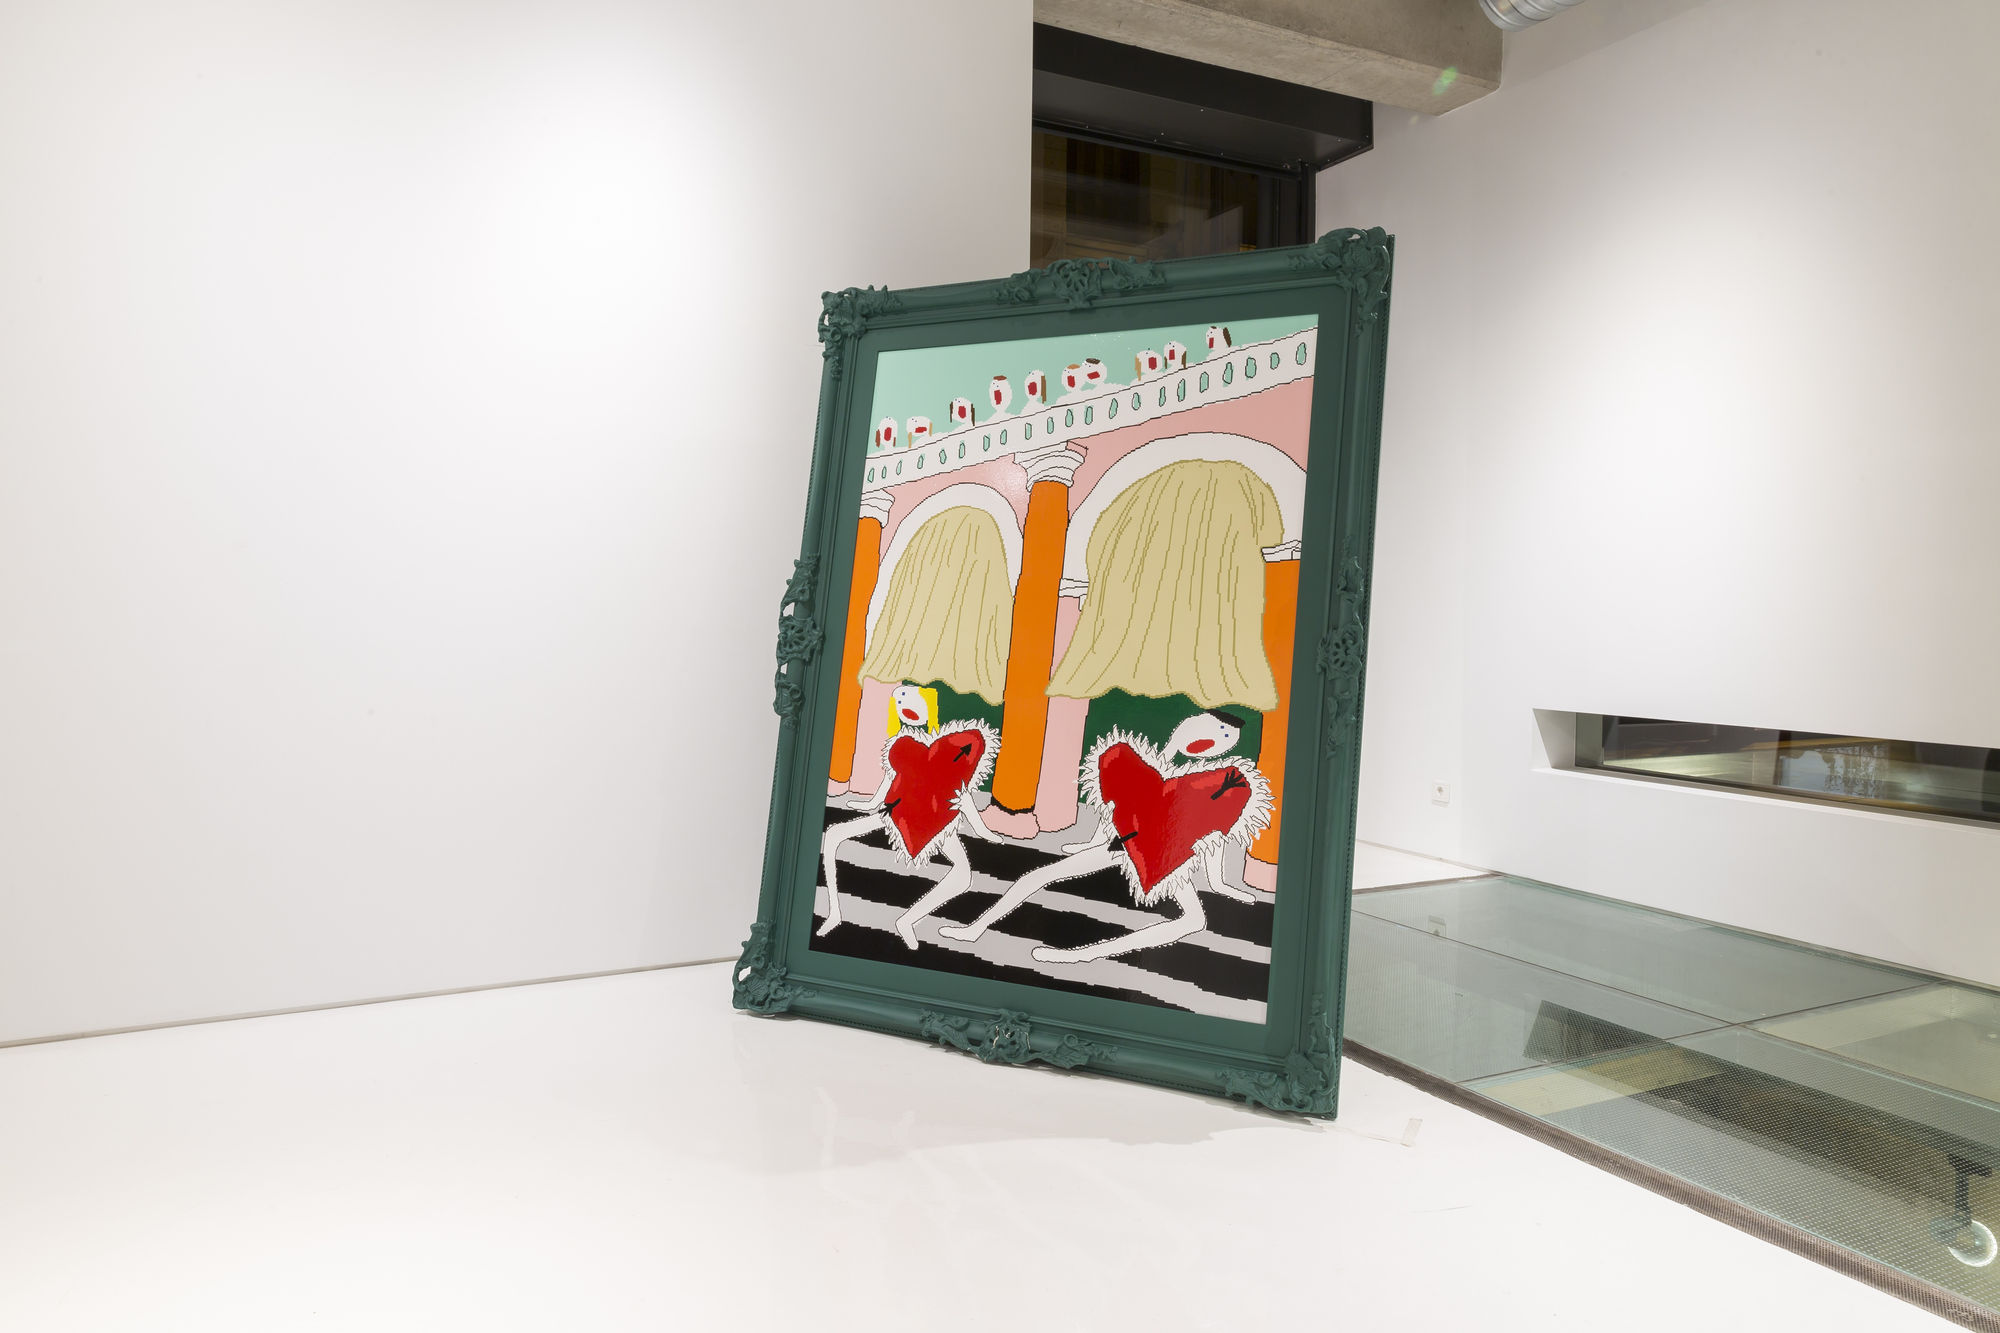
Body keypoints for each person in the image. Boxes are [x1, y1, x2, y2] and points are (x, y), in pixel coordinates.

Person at [940, 710, 1269, 963]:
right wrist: (1093, 842)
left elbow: (1214, 834)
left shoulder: (1218, 784)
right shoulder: (1153, 766)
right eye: (1215, 730)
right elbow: (1118, 801)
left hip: (1169, 860)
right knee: (1042, 874)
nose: (1219, 740)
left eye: (1228, 737)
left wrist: (1219, 883)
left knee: (1194, 920)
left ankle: (1083, 954)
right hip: (1125, 842)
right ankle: (975, 928)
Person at [819, 684, 1000, 949]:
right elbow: (891, 781)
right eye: (901, 703)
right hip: (898, 812)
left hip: (937, 820)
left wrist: (983, 830)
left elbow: (962, 793)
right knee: (834, 834)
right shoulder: (902, 745)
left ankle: (907, 921)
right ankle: (834, 913)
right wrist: (870, 804)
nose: (905, 707)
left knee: (963, 875)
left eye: (912, 701)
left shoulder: (952, 749)